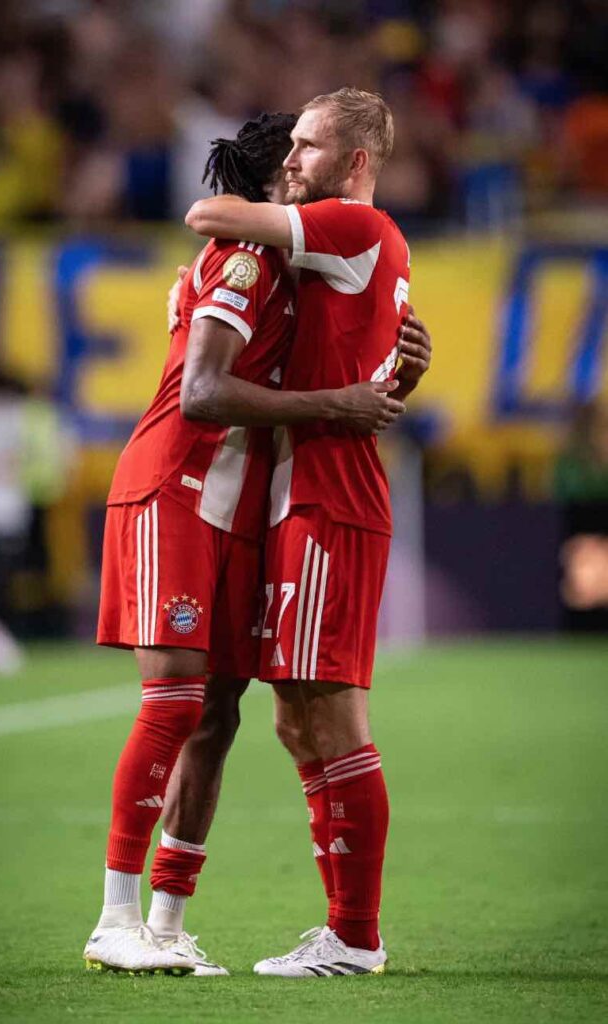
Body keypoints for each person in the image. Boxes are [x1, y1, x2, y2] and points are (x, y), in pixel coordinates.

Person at [84, 111, 412, 976]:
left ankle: (170, 924)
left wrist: (396, 366)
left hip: (242, 507)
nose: (301, 164)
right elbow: (200, 393)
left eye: (313, 147)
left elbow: (352, 349)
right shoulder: (247, 258)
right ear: (277, 184)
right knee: (182, 703)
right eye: (292, 153)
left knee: (222, 713)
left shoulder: (306, 262)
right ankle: (118, 918)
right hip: (179, 487)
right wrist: (339, 400)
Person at [183, 87, 415, 976]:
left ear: (355, 162)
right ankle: (344, 929)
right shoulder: (349, 248)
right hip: (304, 492)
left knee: (332, 713)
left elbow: (208, 213)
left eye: (309, 146)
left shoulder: (352, 225)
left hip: (330, 497)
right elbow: (375, 358)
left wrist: (261, 212)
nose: (291, 159)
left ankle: (356, 936)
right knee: (294, 719)